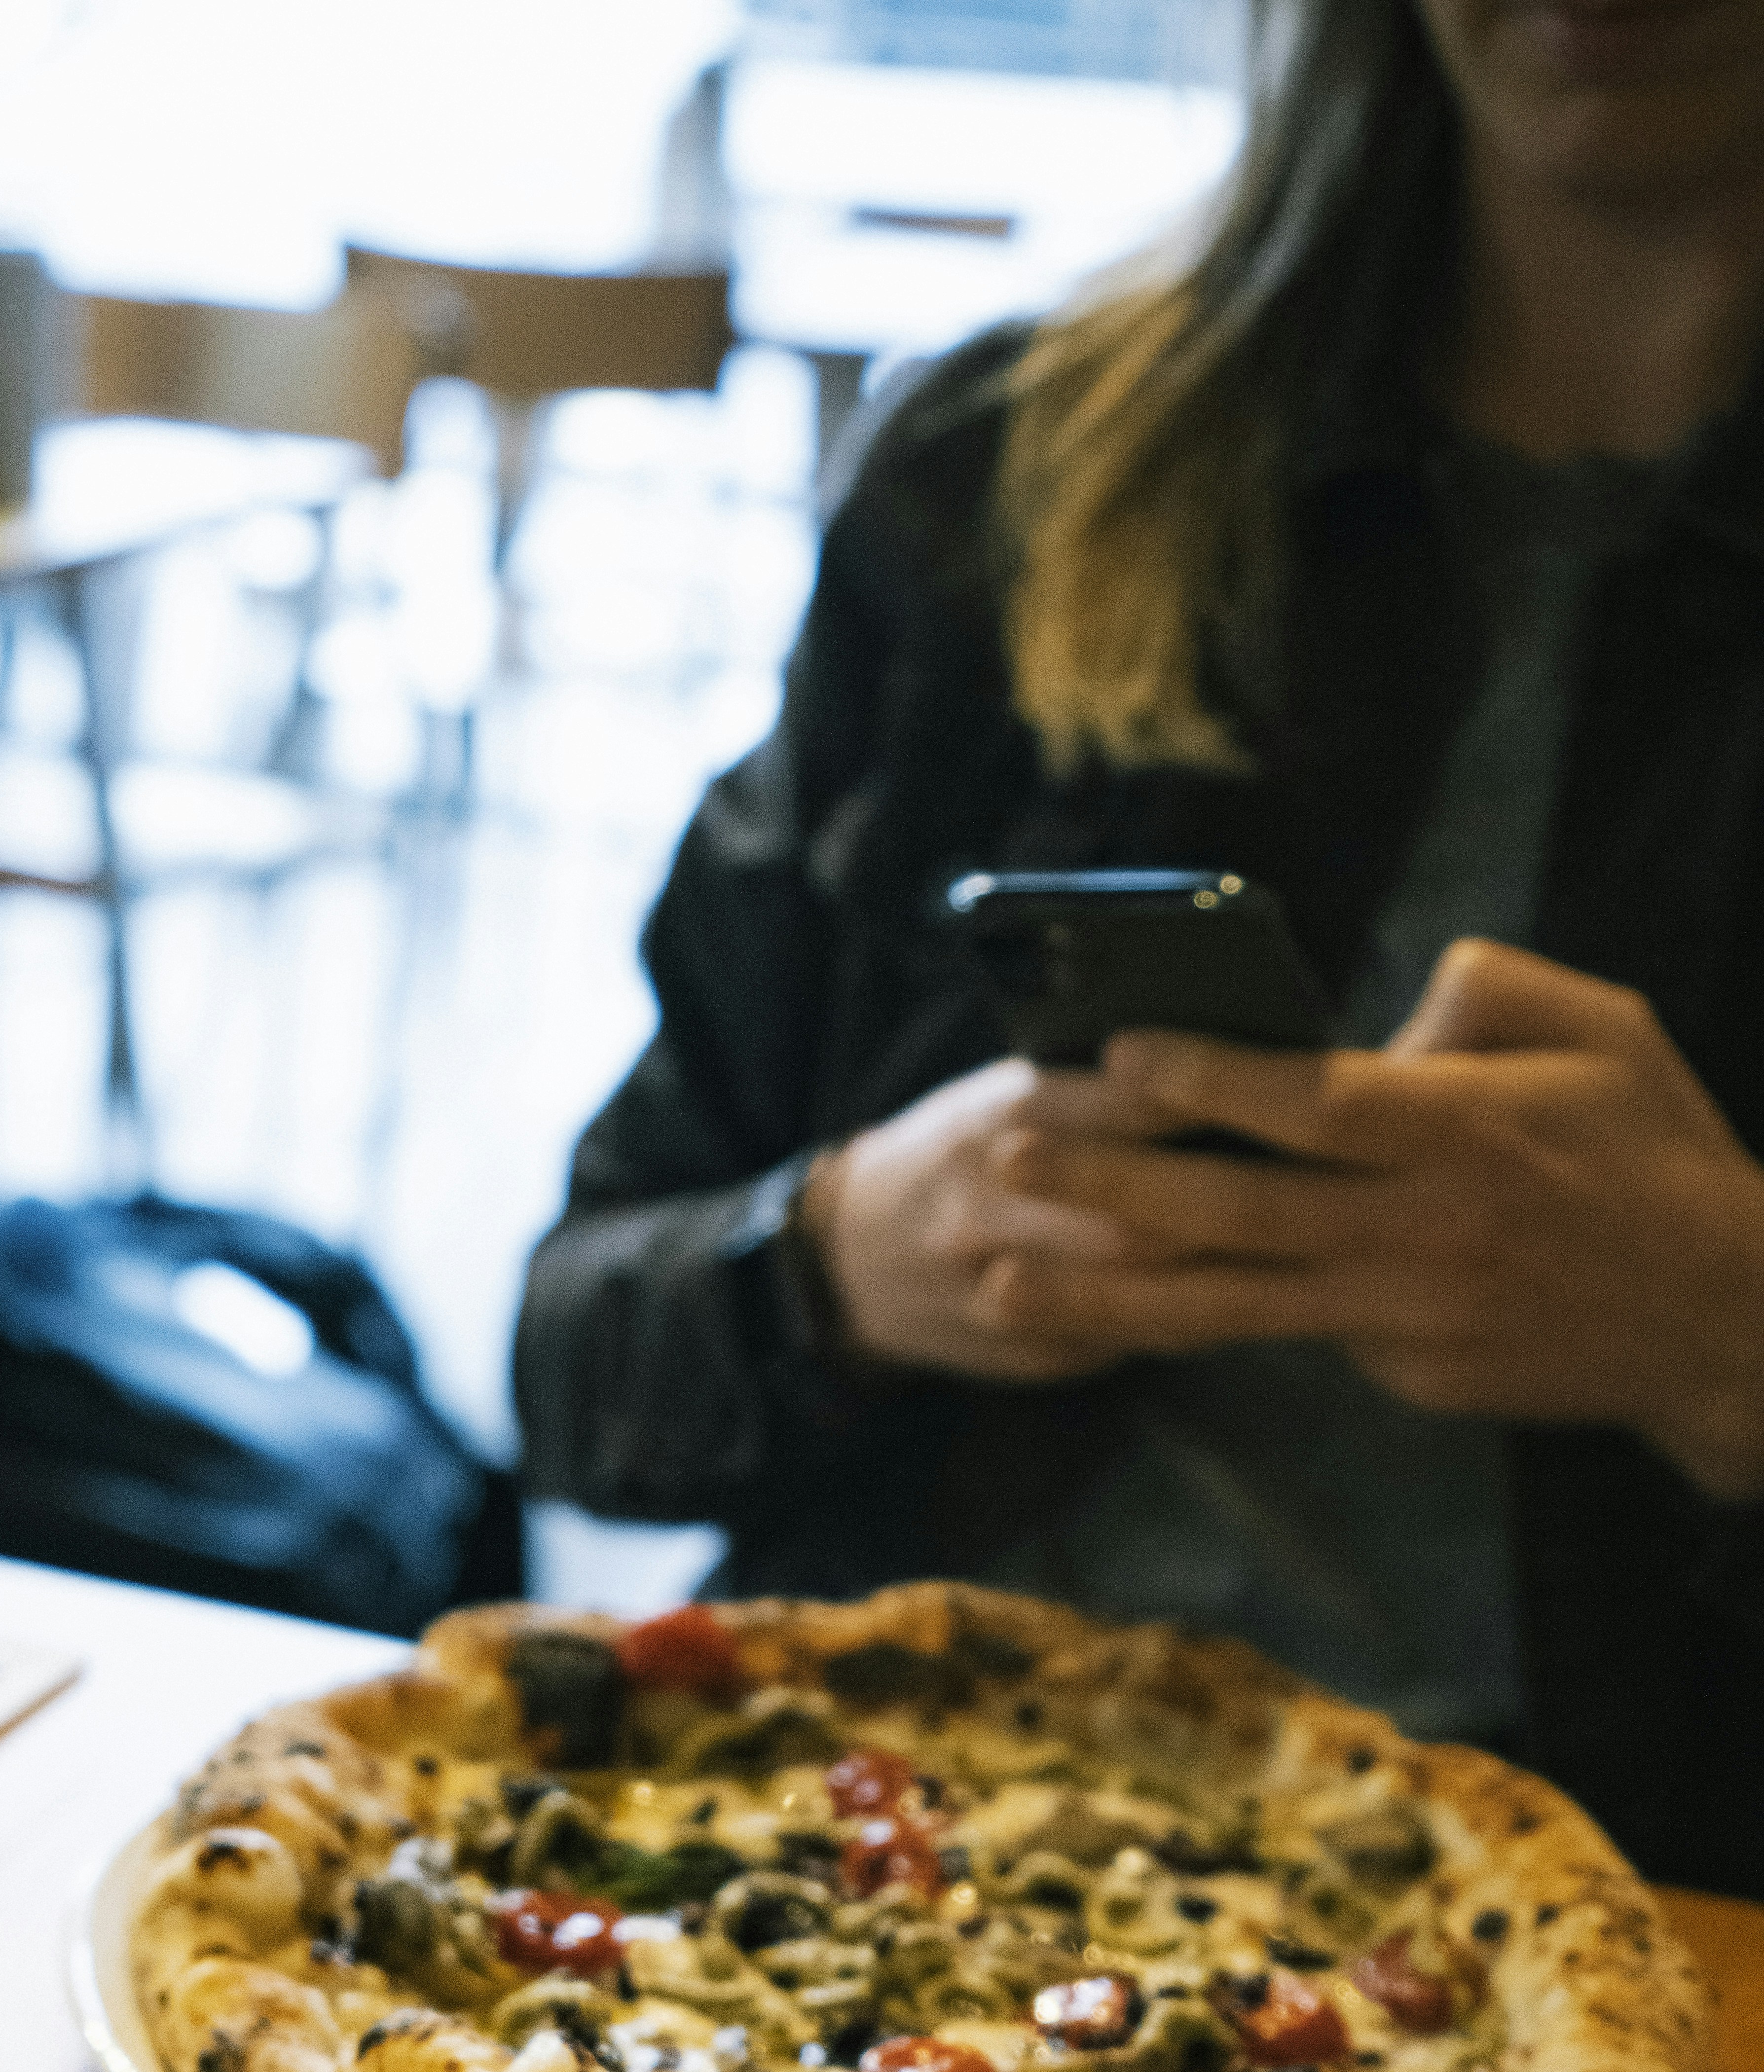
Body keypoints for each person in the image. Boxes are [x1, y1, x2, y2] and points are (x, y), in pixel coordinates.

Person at [514, 0, 1764, 1896]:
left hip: (1640, 1951)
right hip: (849, 1884)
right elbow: (576, 1353)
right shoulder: (1002, 475)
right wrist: (846, 1254)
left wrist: (1730, 1343)